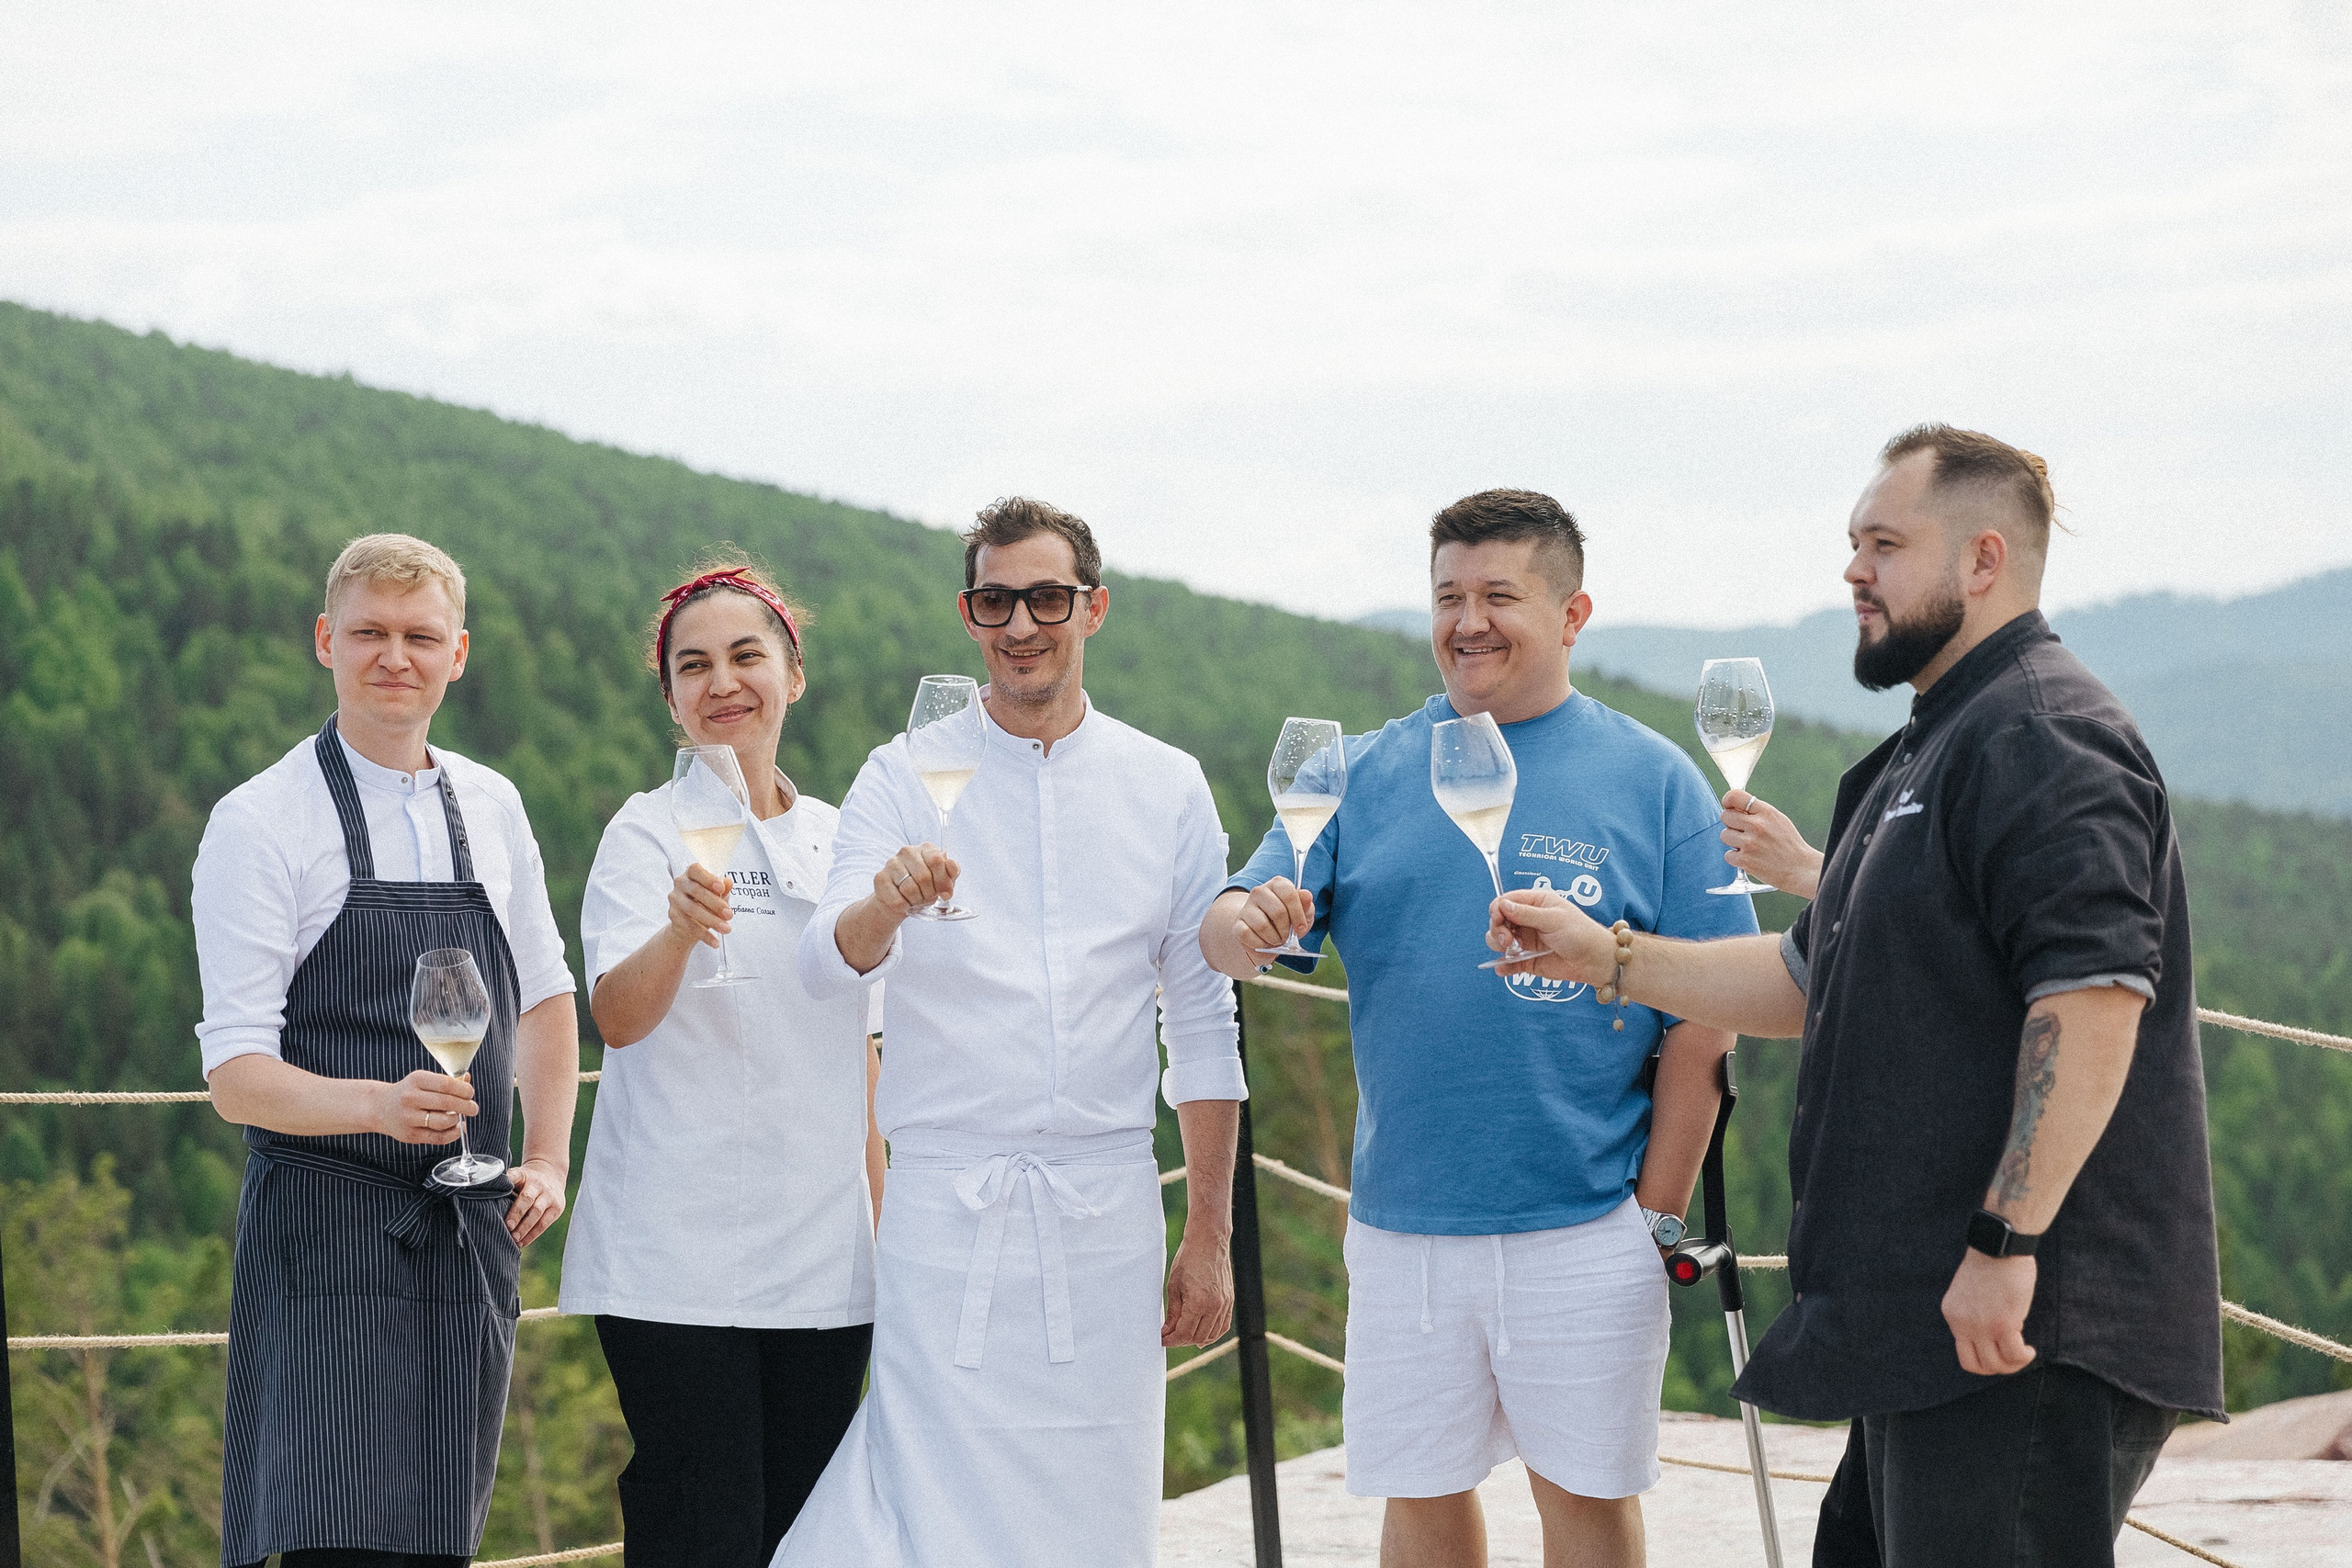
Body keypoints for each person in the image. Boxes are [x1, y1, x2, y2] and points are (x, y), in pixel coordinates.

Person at [1487, 426, 2223, 1568]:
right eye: (1851, 544)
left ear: (1982, 561)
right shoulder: (1930, 745)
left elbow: (2091, 1001)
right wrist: (1609, 956)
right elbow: (1801, 976)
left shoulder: (2042, 734)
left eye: (1883, 544)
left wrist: (2005, 1241)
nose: (1851, 572)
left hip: (2020, 1328)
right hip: (1921, 1325)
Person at [1201, 489, 1758, 1568]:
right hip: (1405, 1223)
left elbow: (1714, 1014)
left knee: (1587, 1508)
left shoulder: (1651, 779)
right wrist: (1248, 920)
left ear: (1571, 613)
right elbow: (1227, 936)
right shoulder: (1352, 772)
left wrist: (1654, 1219)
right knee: (1417, 1503)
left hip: (1590, 1223)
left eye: (1499, 594)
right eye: (1447, 595)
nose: (1468, 622)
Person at [775, 496, 1243, 1568]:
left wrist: (1207, 1236)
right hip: (947, 1214)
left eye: (1046, 598)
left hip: (1106, 1214)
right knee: (914, 1506)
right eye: (996, 600)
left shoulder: (1165, 785)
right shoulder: (903, 774)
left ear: (1095, 608)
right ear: (967, 611)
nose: (1021, 624)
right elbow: (819, 965)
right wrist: (884, 908)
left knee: (1095, 1504)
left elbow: (1204, 1020)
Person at [195, 534, 579, 1568]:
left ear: (460, 654)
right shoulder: (261, 821)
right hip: (325, 1241)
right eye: (368, 633)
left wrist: (545, 1157)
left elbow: (544, 998)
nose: (393, 657)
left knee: (437, 1546)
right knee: (333, 1542)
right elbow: (234, 1077)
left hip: (464, 1244)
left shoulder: (493, 805)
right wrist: (375, 1106)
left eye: (421, 636)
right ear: (327, 641)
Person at [559, 559, 886, 1567]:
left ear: (794, 675)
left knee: (805, 1535)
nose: (722, 682)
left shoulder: (845, 838)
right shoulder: (644, 831)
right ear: (671, 698)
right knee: (698, 1529)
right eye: (693, 666)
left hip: (827, 1261)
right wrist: (674, 932)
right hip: (674, 1261)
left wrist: (890, 1236)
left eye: (747, 656)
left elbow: (868, 1060)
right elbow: (615, 1017)